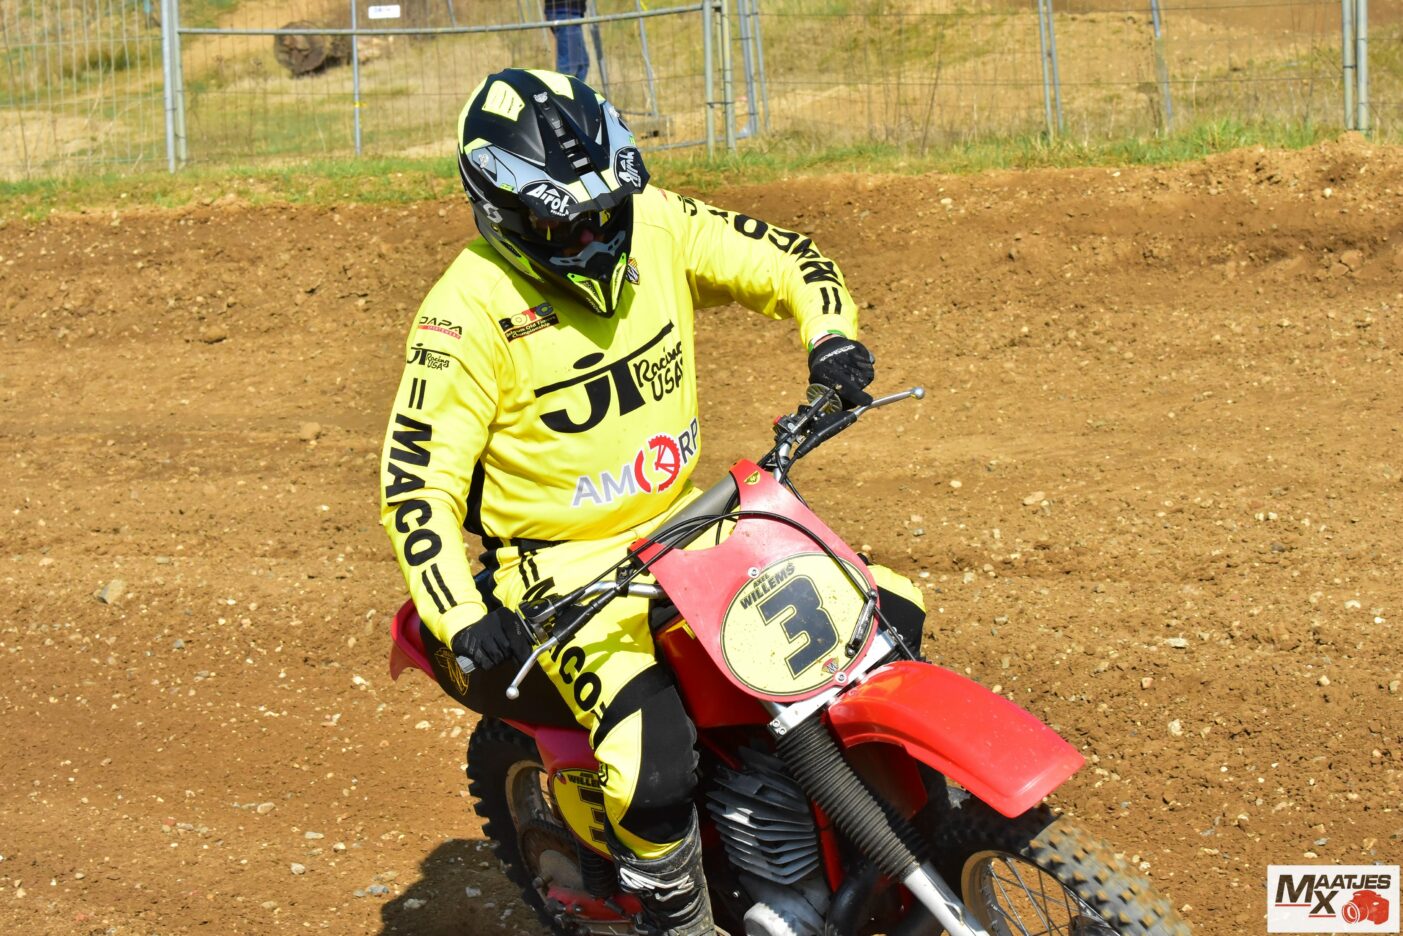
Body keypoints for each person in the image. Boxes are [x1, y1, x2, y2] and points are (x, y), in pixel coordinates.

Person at [379, 68, 922, 935]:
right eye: (563, 223)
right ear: (501, 212)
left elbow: (788, 256)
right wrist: (460, 615)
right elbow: (416, 483)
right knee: (653, 761)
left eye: (605, 210)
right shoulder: (464, 314)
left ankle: (870, 822)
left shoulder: (656, 221)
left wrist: (831, 338)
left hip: (693, 518)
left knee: (889, 612)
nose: (594, 234)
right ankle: (678, 915)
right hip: (561, 569)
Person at [544, 0, 589, 82]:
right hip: (564, 11)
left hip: (570, 11)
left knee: (581, 65)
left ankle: (574, 90)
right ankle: (560, 89)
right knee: (568, 66)